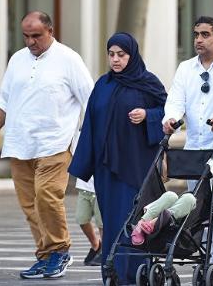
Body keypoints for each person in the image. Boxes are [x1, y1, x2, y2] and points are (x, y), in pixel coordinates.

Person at [0, 11, 94, 279]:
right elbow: (4, 101)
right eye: (26, 36)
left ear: (50, 31)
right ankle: (45, 255)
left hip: (55, 143)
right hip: (19, 144)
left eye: (36, 36)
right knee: (29, 205)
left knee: (47, 197)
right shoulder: (17, 60)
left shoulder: (69, 59)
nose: (30, 42)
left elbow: (90, 100)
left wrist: (89, 140)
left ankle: (60, 251)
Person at [68, 32, 167, 283]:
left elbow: (169, 112)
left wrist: (148, 115)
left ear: (131, 55)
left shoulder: (148, 83)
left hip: (136, 166)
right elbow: (89, 123)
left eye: (121, 55)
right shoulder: (103, 85)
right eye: (111, 54)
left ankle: (135, 273)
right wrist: (84, 163)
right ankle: (112, 272)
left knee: (134, 219)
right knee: (111, 221)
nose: (115, 59)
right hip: (106, 169)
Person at [162, 16, 213, 274]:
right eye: (196, 34)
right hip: (194, 147)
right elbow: (175, 99)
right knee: (194, 202)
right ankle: (199, 255)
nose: (198, 39)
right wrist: (171, 119)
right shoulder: (186, 68)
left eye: (205, 35)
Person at [75, 177, 103, 266]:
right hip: (84, 187)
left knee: (101, 224)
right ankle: (96, 245)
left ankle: (104, 251)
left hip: (101, 188)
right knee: (81, 219)